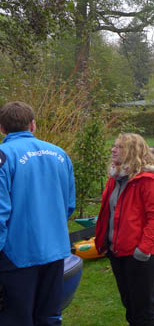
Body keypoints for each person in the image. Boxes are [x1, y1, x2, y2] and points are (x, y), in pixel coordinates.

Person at [0, 101, 75, 325]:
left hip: (16, 255)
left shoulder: (3, 157)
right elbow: (69, 204)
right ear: (33, 125)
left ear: (2, 129)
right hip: (55, 251)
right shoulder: (60, 154)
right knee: (50, 316)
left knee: (16, 318)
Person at [94, 133, 154, 326]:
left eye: (119, 147)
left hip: (139, 255)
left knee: (144, 310)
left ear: (132, 151)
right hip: (116, 252)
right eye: (114, 145)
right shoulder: (115, 178)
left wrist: (142, 250)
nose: (113, 149)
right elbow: (108, 214)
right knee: (129, 305)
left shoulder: (147, 180)